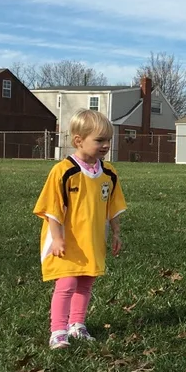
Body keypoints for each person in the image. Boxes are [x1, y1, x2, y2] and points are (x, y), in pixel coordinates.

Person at [33, 110, 126, 349]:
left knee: (85, 283)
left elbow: (113, 207)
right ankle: (58, 331)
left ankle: (77, 325)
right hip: (66, 240)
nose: (105, 145)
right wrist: (57, 238)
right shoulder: (64, 171)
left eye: (108, 140)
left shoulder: (109, 174)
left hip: (92, 240)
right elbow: (52, 208)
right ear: (78, 140)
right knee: (66, 284)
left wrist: (116, 233)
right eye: (99, 140)